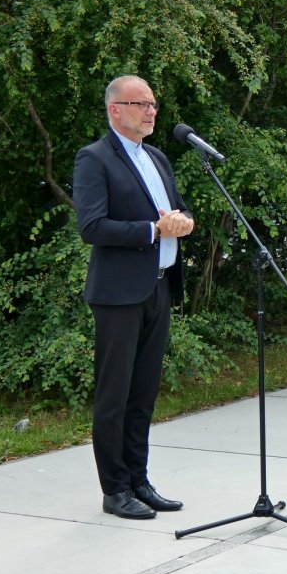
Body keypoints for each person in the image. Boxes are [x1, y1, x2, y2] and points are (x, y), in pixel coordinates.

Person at [73, 75, 194, 519]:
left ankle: (140, 481)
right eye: (140, 104)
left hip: (159, 285)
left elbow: (178, 210)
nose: (150, 111)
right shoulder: (95, 159)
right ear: (114, 110)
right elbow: (92, 226)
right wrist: (152, 231)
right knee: (114, 395)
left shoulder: (157, 157)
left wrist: (184, 223)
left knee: (143, 392)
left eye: (153, 104)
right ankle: (115, 490)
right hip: (119, 294)